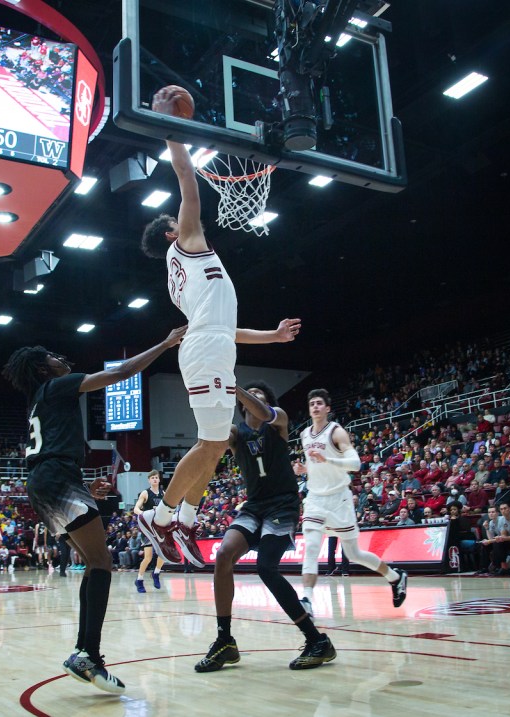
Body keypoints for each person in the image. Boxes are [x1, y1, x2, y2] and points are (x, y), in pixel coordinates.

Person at [139, 88, 300, 567]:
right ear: (172, 232)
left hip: (211, 346)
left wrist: (269, 337)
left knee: (219, 441)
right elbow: (188, 180)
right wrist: (175, 130)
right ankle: (163, 515)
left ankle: (183, 516)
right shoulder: (186, 242)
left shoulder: (180, 281)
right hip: (207, 351)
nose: (190, 218)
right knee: (212, 442)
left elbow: (220, 328)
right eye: (181, 221)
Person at [3, 325, 186, 695]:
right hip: (55, 478)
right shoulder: (56, 385)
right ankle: (87, 654)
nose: (61, 359)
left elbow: (47, 454)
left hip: (47, 482)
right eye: (53, 356)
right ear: (42, 368)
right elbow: (121, 373)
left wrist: (83, 487)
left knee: (94, 564)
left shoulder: (39, 400)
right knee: (102, 564)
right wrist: (165, 343)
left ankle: (86, 651)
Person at [195, 382, 335, 673]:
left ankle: (317, 640)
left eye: (260, 395)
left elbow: (264, 410)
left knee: (265, 568)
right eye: (250, 395)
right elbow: (215, 440)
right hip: (254, 506)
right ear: (242, 405)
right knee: (223, 556)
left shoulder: (278, 420)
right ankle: (225, 641)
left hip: (283, 505)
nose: (254, 397)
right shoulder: (235, 433)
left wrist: (235, 388)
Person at [294, 389, 408, 616]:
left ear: (327, 408)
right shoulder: (305, 434)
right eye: (312, 404)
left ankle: (395, 577)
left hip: (339, 499)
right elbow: (317, 466)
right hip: (315, 498)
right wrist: (305, 469)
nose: (315, 407)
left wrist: (328, 459)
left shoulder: (336, 432)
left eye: (319, 403)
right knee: (312, 547)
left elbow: (355, 464)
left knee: (354, 554)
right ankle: (307, 599)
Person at [132, 470, 165, 592]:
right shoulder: (146, 493)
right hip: (147, 528)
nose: (155, 479)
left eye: (156, 477)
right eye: (152, 478)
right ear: (149, 480)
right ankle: (139, 579)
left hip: (159, 527)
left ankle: (156, 573)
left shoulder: (163, 493)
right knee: (148, 557)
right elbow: (136, 509)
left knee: (163, 554)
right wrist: (146, 513)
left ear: (159, 479)